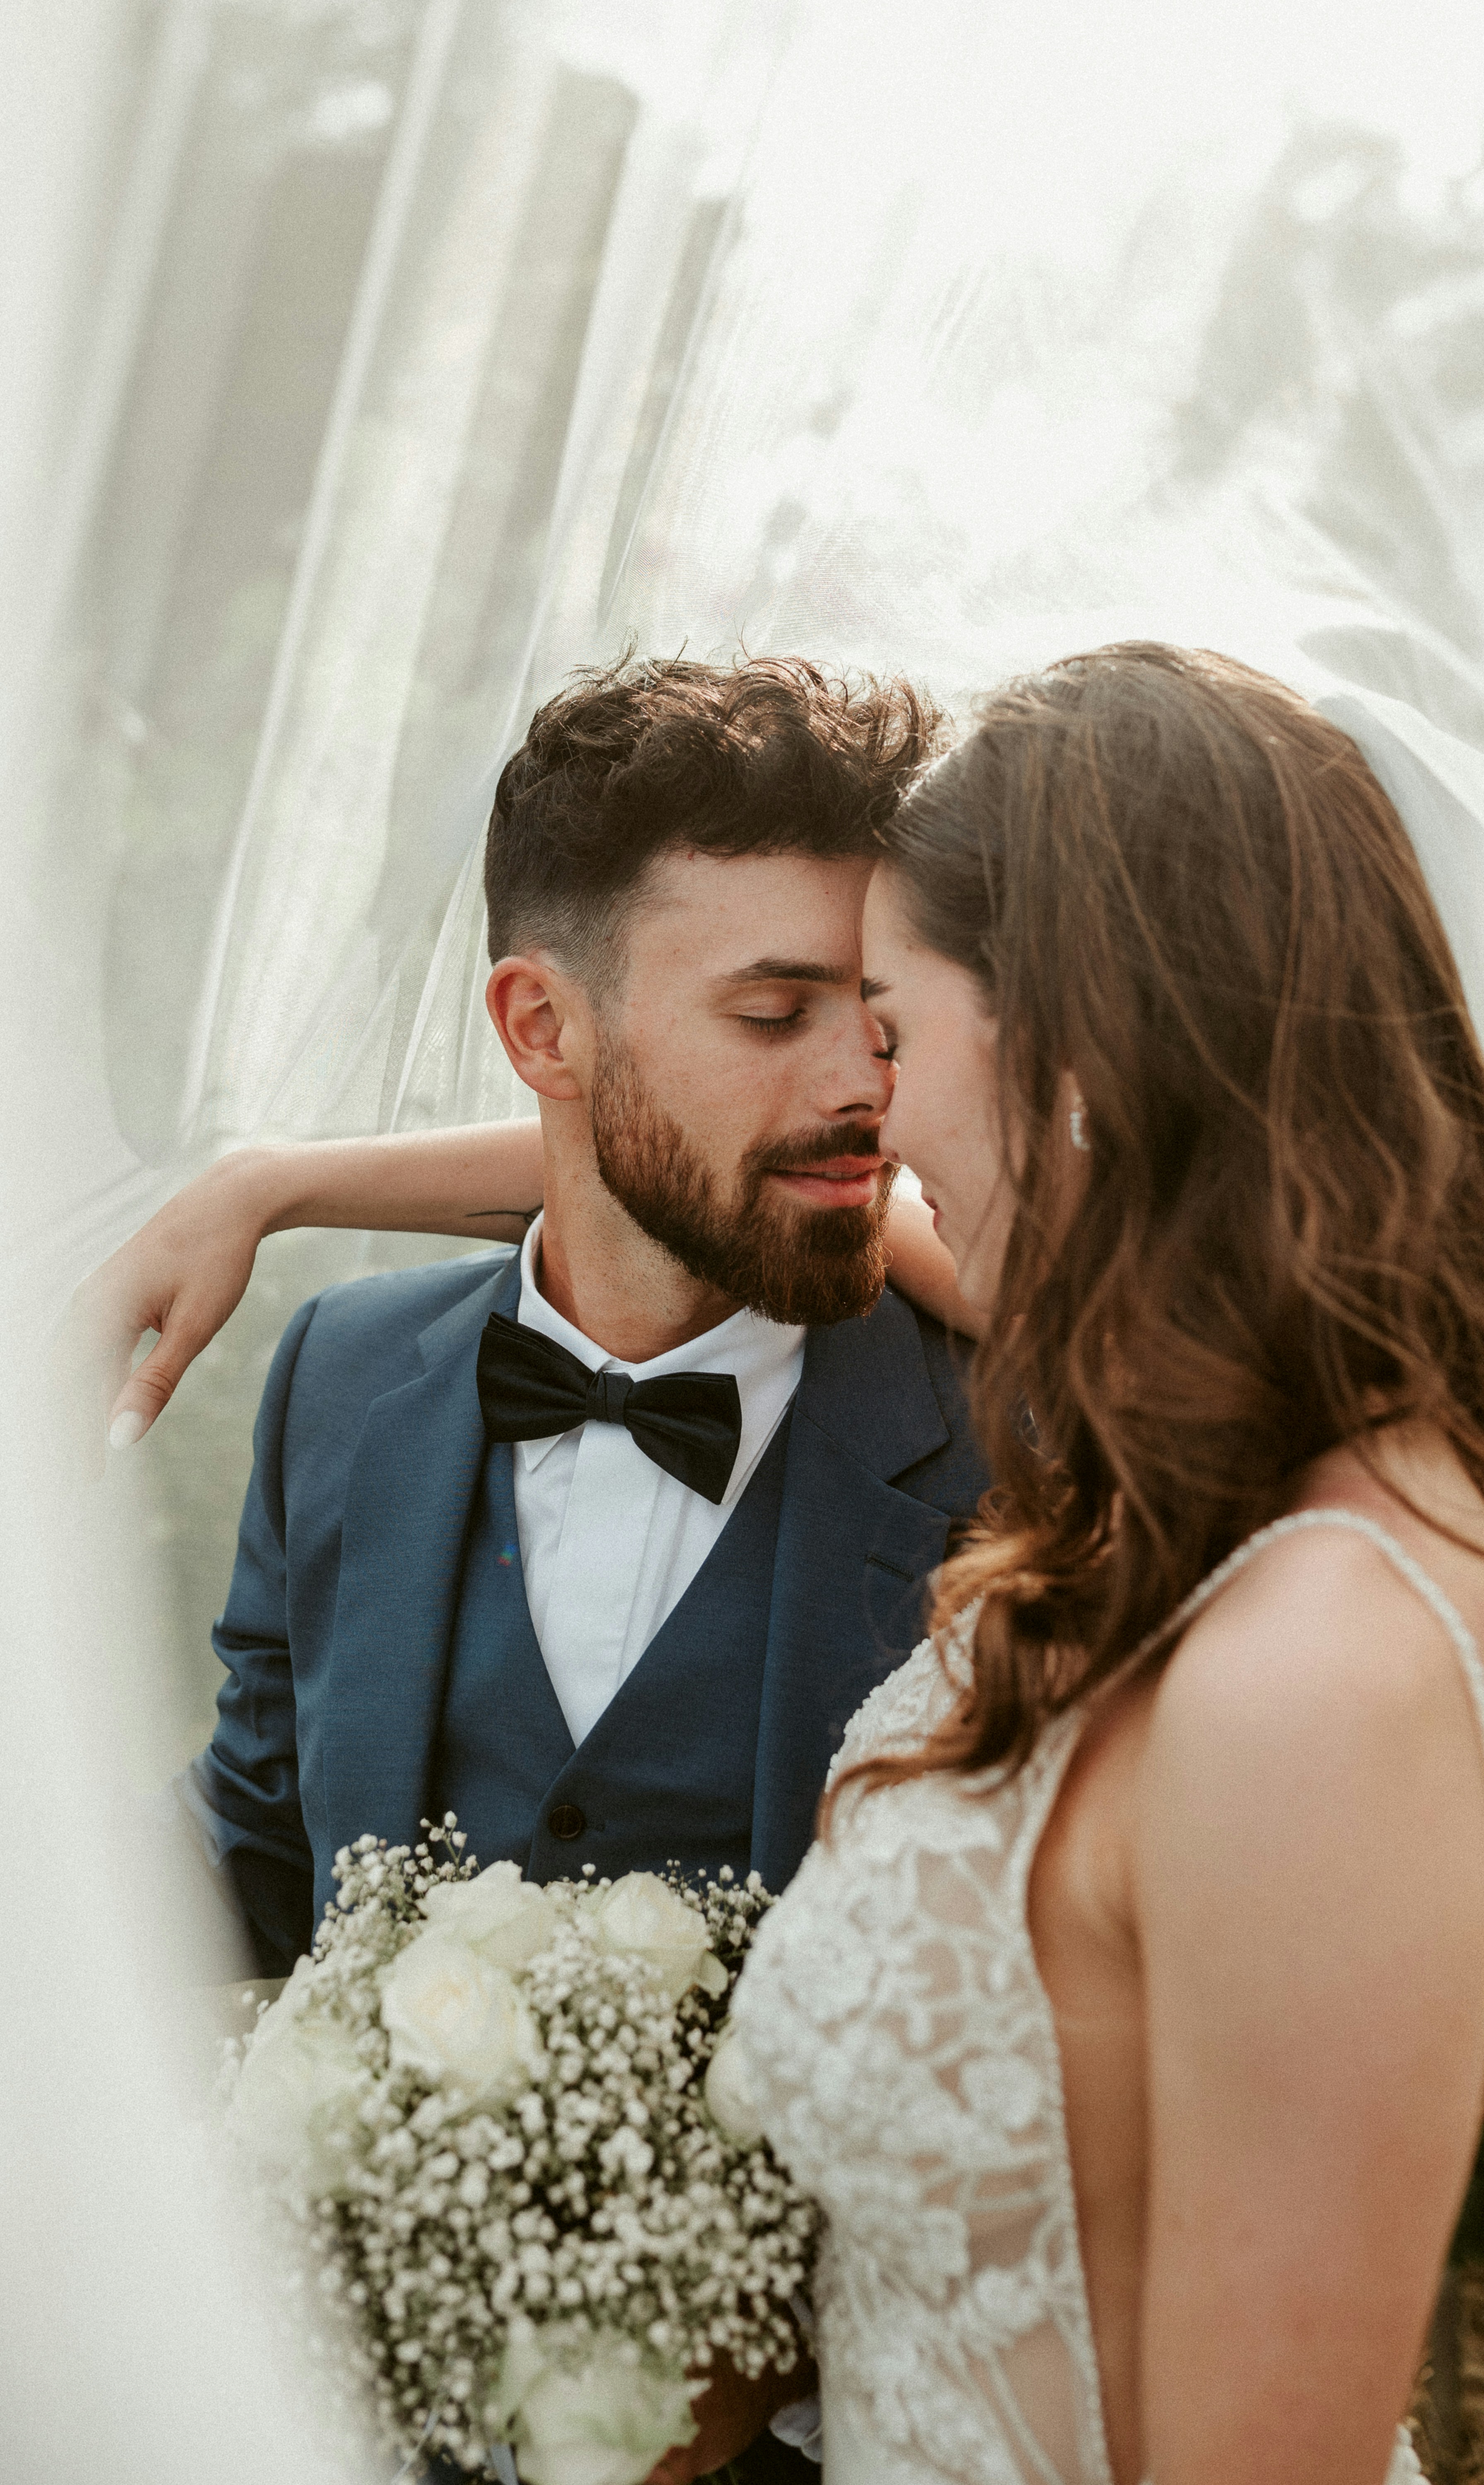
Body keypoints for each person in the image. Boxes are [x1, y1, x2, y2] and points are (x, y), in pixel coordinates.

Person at [94, 655, 990, 2482]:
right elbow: (262, 1839)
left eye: (878, 1019)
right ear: (543, 1029)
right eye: (773, 1014)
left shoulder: (1017, 1429)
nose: (858, 1091)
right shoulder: (345, 1382)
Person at [718, 641, 1484, 2485]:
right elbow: (715, 1160)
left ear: (1078, 1050)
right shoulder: (1223, 1454)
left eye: (892, 1036)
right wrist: (266, 1185)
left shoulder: (1314, 1676)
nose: (875, 1123)